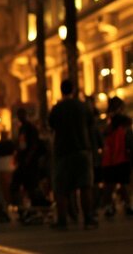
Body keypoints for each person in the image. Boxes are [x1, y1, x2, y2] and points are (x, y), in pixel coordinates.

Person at [48, 79, 98, 229]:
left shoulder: (57, 108)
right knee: (85, 186)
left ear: (61, 90)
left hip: (63, 151)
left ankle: (62, 221)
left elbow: (51, 126)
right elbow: (91, 125)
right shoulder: (82, 107)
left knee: (61, 188)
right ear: (74, 89)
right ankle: (88, 218)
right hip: (82, 149)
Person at [101, 96, 133, 217]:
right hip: (120, 157)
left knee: (110, 185)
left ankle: (111, 206)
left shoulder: (108, 123)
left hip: (110, 158)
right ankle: (126, 205)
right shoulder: (123, 122)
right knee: (122, 183)